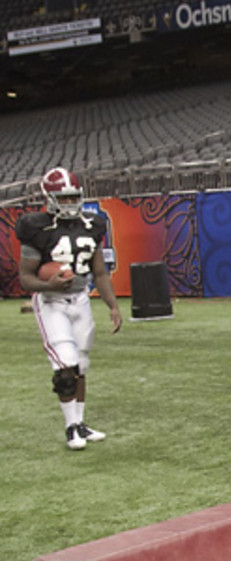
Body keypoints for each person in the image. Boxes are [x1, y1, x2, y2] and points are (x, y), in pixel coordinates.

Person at [17, 167, 122, 451]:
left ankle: (80, 423)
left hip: (80, 300)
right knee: (65, 364)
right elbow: (25, 277)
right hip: (51, 301)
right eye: (62, 199)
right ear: (49, 198)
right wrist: (48, 284)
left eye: (72, 197)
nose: (68, 204)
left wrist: (112, 305)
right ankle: (70, 427)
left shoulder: (91, 224)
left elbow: (99, 273)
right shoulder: (36, 228)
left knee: (81, 364)